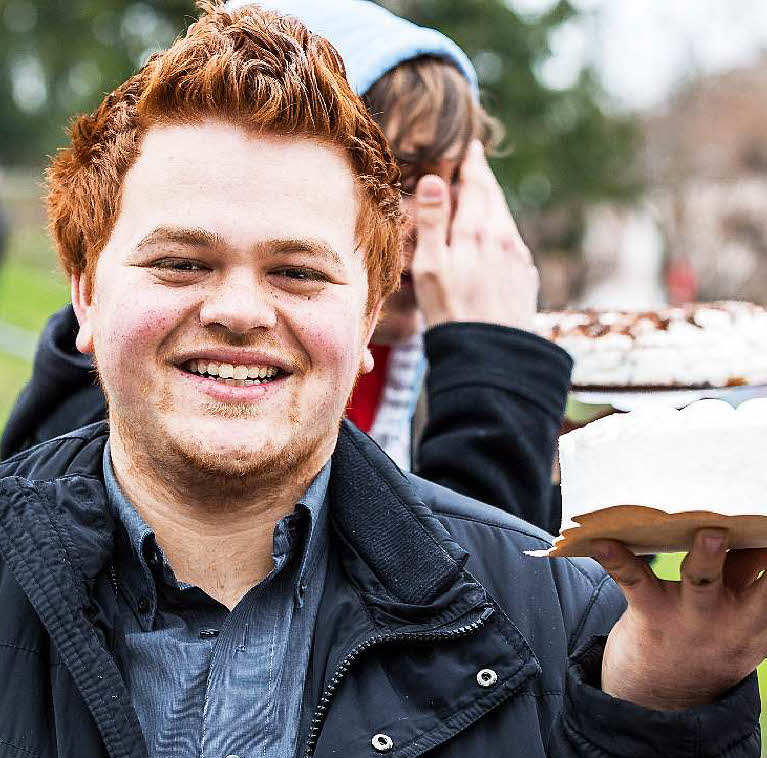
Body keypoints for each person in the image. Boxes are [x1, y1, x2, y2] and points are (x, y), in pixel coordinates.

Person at [0, 6, 762, 758]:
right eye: (181, 260)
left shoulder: (556, 616)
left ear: (368, 315)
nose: (237, 307)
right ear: (85, 293)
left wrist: (662, 714)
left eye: (297, 270)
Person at [1, 0, 571, 533]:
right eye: (387, 179)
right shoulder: (130, 378)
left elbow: (519, 607)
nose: (419, 223)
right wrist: (495, 382)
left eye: (444, 184)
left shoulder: (425, 372)